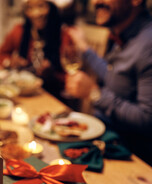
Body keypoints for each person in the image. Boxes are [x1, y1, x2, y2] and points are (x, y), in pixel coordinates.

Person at [65, 0, 152, 163]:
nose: (94, 2)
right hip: (106, 136)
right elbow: (116, 77)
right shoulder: (124, 33)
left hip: (129, 155)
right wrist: (85, 48)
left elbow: (148, 120)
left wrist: (94, 94)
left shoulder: (148, 43)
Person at [0, 0, 70, 104]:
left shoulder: (64, 34)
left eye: (41, 6)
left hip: (53, 97)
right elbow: (1, 54)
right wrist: (10, 62)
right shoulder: (19, 31)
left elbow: (71, 75)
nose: (35, 13)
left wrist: (52, 73)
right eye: (30, 8)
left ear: (51, 7)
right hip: (23, 94)